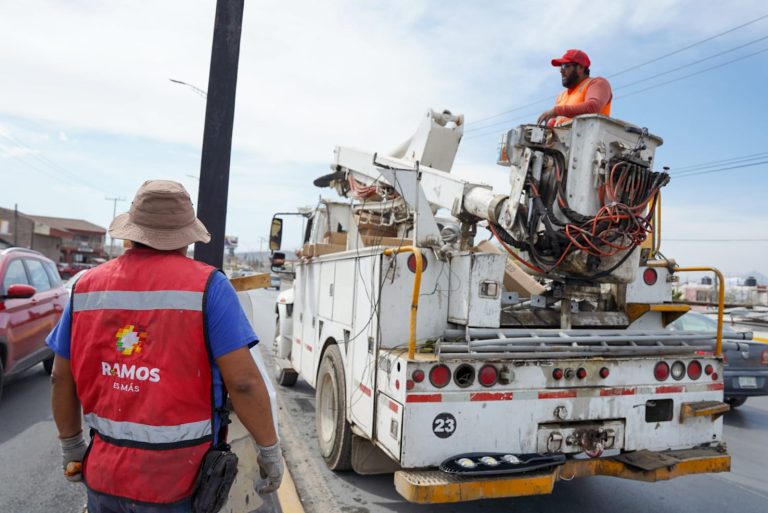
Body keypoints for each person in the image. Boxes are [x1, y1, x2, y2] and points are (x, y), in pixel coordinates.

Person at [48, 180, 283, 512]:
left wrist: (72, 446)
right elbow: (243, 383)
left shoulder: (85, 288)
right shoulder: (209, 287)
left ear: (131, 234)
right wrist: (269, 451)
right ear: (186, 239)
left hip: (104, 477)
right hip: (180, 482)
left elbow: (61, 377)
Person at [537, 49, 612, 127]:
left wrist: (556, 111)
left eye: (566, 66)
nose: (561, 71)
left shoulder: (597, 83)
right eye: (561, 67)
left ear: (581, 67)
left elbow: (593, 107)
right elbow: (558, 119)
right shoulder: (562, 95)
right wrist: (549, 126)